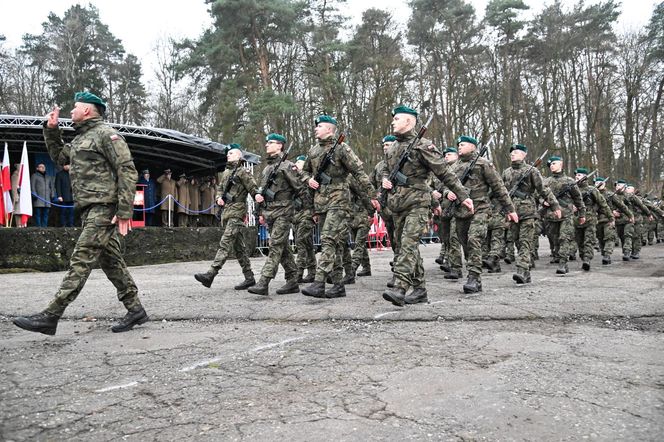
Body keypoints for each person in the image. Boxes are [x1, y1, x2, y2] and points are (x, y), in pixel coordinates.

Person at [13, 92, 148, 335]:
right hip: (88, 208)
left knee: (81, 258)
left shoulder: (106, 134)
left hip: (104, 207)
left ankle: (51, 314)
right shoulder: (81, 139)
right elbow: (59, 158)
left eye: (75, 107)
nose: (71, 111)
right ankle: (135, 309)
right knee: (111, 262)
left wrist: (125, 209)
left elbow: (127, 169)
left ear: (87, 110)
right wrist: (52, 131)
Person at [380, 106, 473, 306]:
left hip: (418, 202)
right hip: (397, 203)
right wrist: (386, 180)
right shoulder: (393, 148)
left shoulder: (423, 146)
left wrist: (462, 194)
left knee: (408, 243)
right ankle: (419, 289)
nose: (393, 122)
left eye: (397, 119)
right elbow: (386, 170)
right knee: (405, 246)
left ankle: (400, 287)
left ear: (409, 121)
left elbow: (444, 173)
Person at [300, 114, 379, 299]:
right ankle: (337, 285)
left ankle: (319, 282)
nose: (315, 129)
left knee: (327, 239)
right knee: (334, 243)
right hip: (321, 202)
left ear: (329, 129)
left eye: (319, 126)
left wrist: (372, 195)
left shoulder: (342, 149)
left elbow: (359, 173)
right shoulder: (313, 151)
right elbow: (304, 171)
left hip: (339, 200)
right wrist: (308, 179)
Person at [443, 135, 517, 293]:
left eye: (463, 144)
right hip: (460, 211)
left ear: (473, 147)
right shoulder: (454, 166)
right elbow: (443, 184)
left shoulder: (483, 164)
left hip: (480, 209)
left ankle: (474, 278)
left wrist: (510, 209)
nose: (459, 147)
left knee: (474, 240)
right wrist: (447, 192)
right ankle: (473, 269)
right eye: (459, 145)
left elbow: (498, 187)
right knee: (465, 243)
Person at [194, 144, 258, 290]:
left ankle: (210, 274)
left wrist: (259, 206)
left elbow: (253, 189)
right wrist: (218, 198)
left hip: (237, 212)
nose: (228, 155)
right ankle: (249, 278)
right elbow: (220, 189)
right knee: (239, 248)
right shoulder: (226, 172)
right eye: (227, 153)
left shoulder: (243, 171)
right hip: (227, 212)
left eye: (231, 153)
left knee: (225, 242)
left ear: (239, 156)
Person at [248, 133, 305, 296]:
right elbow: (263, 191)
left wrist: (309, 211)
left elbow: (300, 189)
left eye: (271, 142)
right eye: (266, 142)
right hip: (270, 212)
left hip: (284, 211)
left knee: (275, 246)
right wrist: (259, 206)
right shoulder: (267, 168)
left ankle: (263, 281)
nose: (267, 145)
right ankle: (293, 280)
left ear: (280, 145)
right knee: (283, 248)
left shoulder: (287, 166)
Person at [501, 144, 561, 283]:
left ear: (524, 155)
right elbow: (501, 192)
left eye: (516, 152)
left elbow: (543, 189)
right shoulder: (506, 172)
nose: (513, 154)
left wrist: (555, 205)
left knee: (525, 242)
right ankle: (526, 271)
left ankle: (521, 270)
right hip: (512, 213)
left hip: (528, 212)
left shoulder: (531, 170)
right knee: (516, 241)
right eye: (511, 153)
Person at [542, 155, 586, 275]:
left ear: (561, 164)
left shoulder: (569, 181)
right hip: (551, 216)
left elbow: (578, 199)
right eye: (550, 164)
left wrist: (582, 214)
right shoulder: (546, 182)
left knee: (564, 238)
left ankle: (563, 263)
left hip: (566, 215)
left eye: (554, 163)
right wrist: (543, 201)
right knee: (555, 240)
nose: (552, 166)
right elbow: (537, 195)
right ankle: (559, 257)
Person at [573, 167, 612, 271]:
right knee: (580, 242)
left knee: (588, 241)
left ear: (585, 177)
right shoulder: (572, 189)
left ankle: (587, 259)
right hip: (576, 220)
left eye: (579, 175)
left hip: (590, 220)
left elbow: (603, 204)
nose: (577, 177)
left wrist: (611, 217)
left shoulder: (592, 190)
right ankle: (583, 257)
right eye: (576, 176)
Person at [372, 135, 398, 287]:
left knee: (402, 240)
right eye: (384, 145)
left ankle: (402, 271)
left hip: (400, 207)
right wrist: (374, 197)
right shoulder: (380, 166)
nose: (385, 147)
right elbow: (370, 184)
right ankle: (398, 264)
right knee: (394, 241)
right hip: (386, 209)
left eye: (388, 144)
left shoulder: (400, 163)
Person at [292, 155, 317, 283]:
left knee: (301, 242)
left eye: (300, 163)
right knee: (307, 245)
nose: (296, 164)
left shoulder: (309, 179)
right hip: (297, 214)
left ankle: (298, 273)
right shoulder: (294, 179)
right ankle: (312, 272)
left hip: (308, 214)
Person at [624, 184, 652, 259]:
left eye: (629, 188)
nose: (627, 189)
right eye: (626, 188)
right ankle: (628, 251)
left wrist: (649, 214)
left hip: (637, 219)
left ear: (633, 190)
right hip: (628, 219)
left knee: (636, 236)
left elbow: (642, 206)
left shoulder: (634, 198)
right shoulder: (623, 197)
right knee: (628, 235)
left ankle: (636, 252)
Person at [594, 177, 618, 264]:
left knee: (609, 237)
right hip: (597, 220)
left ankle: (607, 255)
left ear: (604, 184)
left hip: (608, 219)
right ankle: (604, 254)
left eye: (600, 183)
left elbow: (621, 205)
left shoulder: (610, 195)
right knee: (600, 239)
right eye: (596, 183)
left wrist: (616, 212)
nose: (598, 185)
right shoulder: (592, 194)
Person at [610, 179, 636, 261]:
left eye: (619, 185)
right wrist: (612, 211)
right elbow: (605, 206)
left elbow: (641, 205)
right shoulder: (612, 196)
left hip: (628, 220)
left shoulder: (629, 196)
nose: (617, 187)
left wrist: (648, 214)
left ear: (624, 187)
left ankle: (627, 252)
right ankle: (626, 251)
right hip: (618, 221)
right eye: (617, 185)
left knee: (627, 235)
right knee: (622, 237)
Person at [31, 163, 54, 227]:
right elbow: (32, 186)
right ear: (37, 168)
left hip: (47, 199)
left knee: (45, 214)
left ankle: (44, 227)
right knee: (38, 214)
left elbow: (51, 187)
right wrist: (34, 195)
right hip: (38, 198)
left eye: (44, 166)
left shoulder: (48, 177)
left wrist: (52, 195)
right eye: (41, 167)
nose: (43, 168)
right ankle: (38, 227)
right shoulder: (34, 176)